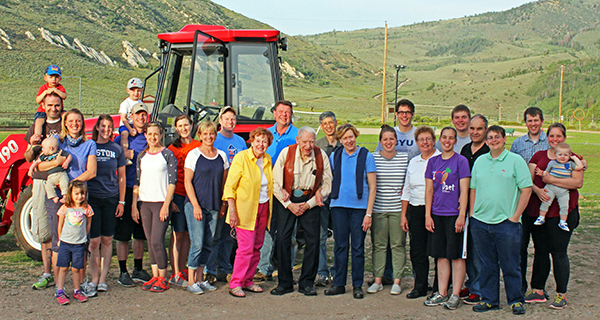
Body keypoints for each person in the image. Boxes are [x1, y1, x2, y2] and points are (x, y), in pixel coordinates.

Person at [469, 125, 532, 315]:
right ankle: (490, 300)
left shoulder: (515, 161)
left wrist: (515, 216)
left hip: (506, 222)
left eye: (497, 137)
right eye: (490, 137)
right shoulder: (480, 161)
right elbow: (473, 187)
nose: (493, 140)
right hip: (480, 221)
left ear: (505, 139)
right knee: (487, 264)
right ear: (486, 141)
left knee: (510, 264)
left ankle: (515, 300)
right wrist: (472, 213)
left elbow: (526, 188)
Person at [524, 123, 583, 309]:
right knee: (540, 252)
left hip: (562, 214)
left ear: (564, 138)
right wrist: (538, 190)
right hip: (539, 211)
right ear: (546, 137)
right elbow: (528, 179)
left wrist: (551, 180)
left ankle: (561, 294)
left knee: (559, 253)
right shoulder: (539, 156)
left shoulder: (572, 158)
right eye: (551, 136)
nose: (555, 139)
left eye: (559, 136)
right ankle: (538, 290)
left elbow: (577, 182)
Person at [271, 126, 333, 296]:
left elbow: (327, 184)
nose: (308, 145)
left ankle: (307, 283)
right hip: (287, 200)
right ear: (298, 140)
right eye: (304, 141)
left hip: (311, 201)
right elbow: (275, 182)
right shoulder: (286, 153)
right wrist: (289, 204)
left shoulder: (321, 156)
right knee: (283, 239)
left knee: (312, 241)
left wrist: (309, 204)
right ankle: (285, 283)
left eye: (311, 141)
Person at [324, 123, 376, 299]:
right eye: (345, 138)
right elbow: (328, 179)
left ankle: (357, 285)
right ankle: (339, 283)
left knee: (358, 247)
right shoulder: (335, 156)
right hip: (338, 206)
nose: (349, 141)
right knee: (340, 246)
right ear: (340, 140)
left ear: (356, 136)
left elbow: (373, 186)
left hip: (359, 209)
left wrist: (369, 213)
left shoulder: (366, 156)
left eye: (351, 136)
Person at [224, 127, 274, 298]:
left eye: (264, 141)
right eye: (258, 140)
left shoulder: (267, 159)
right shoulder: (241, 158)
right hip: (244, 209)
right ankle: (236, 282)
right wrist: (232, 211)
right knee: (245, 248)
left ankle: (248, 280)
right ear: (251, 141)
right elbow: (230, 186)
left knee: (257, 247)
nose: (261, 144)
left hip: (263, 207)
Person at [423, 127, 470, 310]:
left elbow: (464, 190)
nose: (447, 141)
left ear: (455, 141)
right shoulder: (433, 162)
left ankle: (455, 294)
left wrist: (461, 215)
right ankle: (442, 293)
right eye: (444, 137)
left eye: (451, 138)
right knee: (441, 256)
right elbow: (429, 190)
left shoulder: (461, 161)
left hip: (454, 215)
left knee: (456, 256)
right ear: (439, 140)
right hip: (437, 214)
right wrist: (428, 215)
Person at [53, 108, 98, 297]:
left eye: (78, 121)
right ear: (65, 123)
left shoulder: (89, 145)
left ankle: (79, 286)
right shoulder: (59, 142)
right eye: (71, 121)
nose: (74, 124)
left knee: (81, 243)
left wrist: (72, 188)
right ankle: (59, 286)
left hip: (78, 197)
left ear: (82, 123)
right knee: (60, 241)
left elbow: (91, 171)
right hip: (61, 197)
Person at [131, 122, 177, 293]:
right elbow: (137, 182)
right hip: (145, 202)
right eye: (149, 134)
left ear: (161, 135)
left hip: (160, 203)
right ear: (146, 135)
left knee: (157, 241)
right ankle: (155, 275)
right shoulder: (142, 156)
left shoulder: (167, 155)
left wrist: (166, 204)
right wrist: (134, 205)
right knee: (150, 241)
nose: (152, 137)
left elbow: (172, 182)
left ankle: (163, 278)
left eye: (155, 134)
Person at [184, 121, 228, 295]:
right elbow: (188, 181)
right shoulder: (193, 155)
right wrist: (195, 205)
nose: (209, 137)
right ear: (200, 135)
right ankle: (190, 281)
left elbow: (224, 182)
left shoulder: (222, 156)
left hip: (214, 205)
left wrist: (224, 204)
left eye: (212, 134)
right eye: (205, 134)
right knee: (197, 243)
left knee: (209, 243)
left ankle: (201, 279)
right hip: (196, 205)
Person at [256, 100, 298, 281]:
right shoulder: (265, 134)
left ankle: (286, 270)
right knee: (266, 230)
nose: (284, 115)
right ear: (274, 113)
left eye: (287, 112)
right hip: (267, 190)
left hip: (289, 190)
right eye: (281, 111)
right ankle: (263, 268)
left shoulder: (298, 135)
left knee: (290, 233)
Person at [509, 107, 549, 294]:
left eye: (536, 120)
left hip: (543, 202)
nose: (533, 123)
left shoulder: (549, 144)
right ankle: (520, 285)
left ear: (542, 121)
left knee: (541, 247)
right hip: (522, 202)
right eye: (530, 120)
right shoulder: (517, 144)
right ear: (525, 122)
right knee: (520, 247)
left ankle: (538, 287)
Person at [27, 92, 63, 291]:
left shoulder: (65, 124)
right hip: (41, 182)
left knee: (65, 227)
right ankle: (47, 273)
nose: (54, 108)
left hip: (61, 182)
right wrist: (33, 144)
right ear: (44, 105)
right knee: (44, 230)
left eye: (57, 105)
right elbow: (27, 156)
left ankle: (66, 272)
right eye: (50, 105)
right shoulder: (37, 126)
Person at [86, 115, 127, 294]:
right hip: (93, 198)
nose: (106, 129)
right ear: (97, 127)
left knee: (107, 239)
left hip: (111, 198)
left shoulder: (116, 149)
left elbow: (122, 177)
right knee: (94, 241)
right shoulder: (90, 146)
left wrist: (121, 201)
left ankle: (103, 279)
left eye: (109, 126)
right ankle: (93, 277)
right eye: (103, 126)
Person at [113, 103, 152, 287]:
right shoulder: (122, 137)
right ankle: (122, 271)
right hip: (126, 188)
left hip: (145, 190)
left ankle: (138, 268)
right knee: (123, 233)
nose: (141, 118)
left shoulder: (150, 136)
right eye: (138, 114)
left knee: (140, 232)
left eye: (144, 115)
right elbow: (111, 156)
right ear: (132, 116)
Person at [367, 125, 408, 295]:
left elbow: (409, 183)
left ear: (396, 140)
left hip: (398, 209)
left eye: (392, 139)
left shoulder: (405, 158)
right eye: (385, 139)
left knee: (398, 245)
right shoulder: (373, 158)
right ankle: (378, 280)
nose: (389, 142)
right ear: (380, 141)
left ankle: (397, 281)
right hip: (378, 209)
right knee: (379, 246)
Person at [208, 106, 247, 284]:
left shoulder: (240, 142)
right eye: (227, 119)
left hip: (237, 193)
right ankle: (211, 269)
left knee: (229, 234)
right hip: (219, 191)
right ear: (220, 120)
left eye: (233, 119)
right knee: (215, 234)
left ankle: (225, 268)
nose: (230, 122)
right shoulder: (214, 140)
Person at [401, 126, 441, 299]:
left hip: (437, 210)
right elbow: (407, 189)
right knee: (418, 250)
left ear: (434, 140)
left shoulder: (441, 159)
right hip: (416, 208)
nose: (425, 143)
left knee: (438, 250)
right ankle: (420, 285)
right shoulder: (414, 162)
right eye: (421, 140)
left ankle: (440, 286)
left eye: (428, 139)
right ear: (417, 142)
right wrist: (404, 214)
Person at [458, 114, 490, 304]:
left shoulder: (488, 151)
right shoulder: (464, 149)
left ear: (485, 130)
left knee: (479, 250)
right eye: (472, 128)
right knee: (466, 249)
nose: (475, 132)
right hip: (464, 205)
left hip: (481, 206)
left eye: (479, 129)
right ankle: (471, 284)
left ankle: (479, 288)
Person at [167, 115, 200, 287]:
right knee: (177, 233)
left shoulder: (199, 146)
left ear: (191, 125)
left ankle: (185, 267)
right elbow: (168, 176)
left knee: (188, 233)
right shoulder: (172, 149)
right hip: (179, 194)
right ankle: (175, 271)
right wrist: (171, 199)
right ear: (176, 128)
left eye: (186, 124)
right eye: (180, 126)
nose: (184, 128)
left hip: (193, 195)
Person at [54, 181, 94, 305]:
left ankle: (77, 290)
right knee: (63, 267)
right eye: (76, 193)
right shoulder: (65, 208)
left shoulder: (87, 209)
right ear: (70, 194)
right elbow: (60, 225)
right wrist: (60, 239)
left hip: (79, 244)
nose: (79, 196)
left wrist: (83, 238)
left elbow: (88, 225)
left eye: (82, 193)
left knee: (77, 268)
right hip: (66, 243)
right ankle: (60, 290)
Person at [314, 111, 341, 287]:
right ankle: (322, 272)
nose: (328, 126)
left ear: (336, 123)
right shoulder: (317, 146)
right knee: (321, 235)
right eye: (325, 123)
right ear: (321, 126)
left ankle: (338, 272)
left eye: (331, 122)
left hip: (340, 197)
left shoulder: (345, 143)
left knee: (340, 236)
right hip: (322, 196)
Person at [533, 142, 583, 231]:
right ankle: (541, 217)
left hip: (563, 190)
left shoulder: (570, 164)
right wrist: (542, 173)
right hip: (550, 187)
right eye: (560, 154)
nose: (562, 157)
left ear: (569, 156)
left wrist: (574, 158)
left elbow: (580, 167)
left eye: (566, 155)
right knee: (546, 202)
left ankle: (563, 221)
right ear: (555, 155)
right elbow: (547, 173)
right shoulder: (552, 163)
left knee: (564, 205)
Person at [28, 137, 72, 203]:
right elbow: (36, 162)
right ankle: (54, 196)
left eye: (43, 148)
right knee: (48, 185)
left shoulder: (60, 152)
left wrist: (66, 162)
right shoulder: (44, 156)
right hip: (51, 176)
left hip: (61, 173)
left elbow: (69, 156)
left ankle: (65, 197)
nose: (42, 150)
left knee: (64, 183)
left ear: (51, 148)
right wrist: (31, 169)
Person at [34, 65, 67, 139]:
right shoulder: (43, 88)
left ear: (60, 78)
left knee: (65, 115)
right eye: (51, 77)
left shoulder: (60, 87)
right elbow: (38, 100)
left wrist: (56, 90)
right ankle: (37, 136)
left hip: (58, 110)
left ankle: (63, 131)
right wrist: (45, 92)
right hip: (42, 111)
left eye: (56, 77)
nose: (54, 79)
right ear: (45, 78)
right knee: (39, 121)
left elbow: (64, 96)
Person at [118, 78, 144, 156]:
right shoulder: (125, 103)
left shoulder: (140, 103)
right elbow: (123, 118)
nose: (136, 93)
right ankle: (125, 153)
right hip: (126, 125)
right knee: (125, 134)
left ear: (142, 91)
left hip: (137, 125)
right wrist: (130, 129)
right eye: (133, 90)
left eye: (138, 90)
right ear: (128, 91)